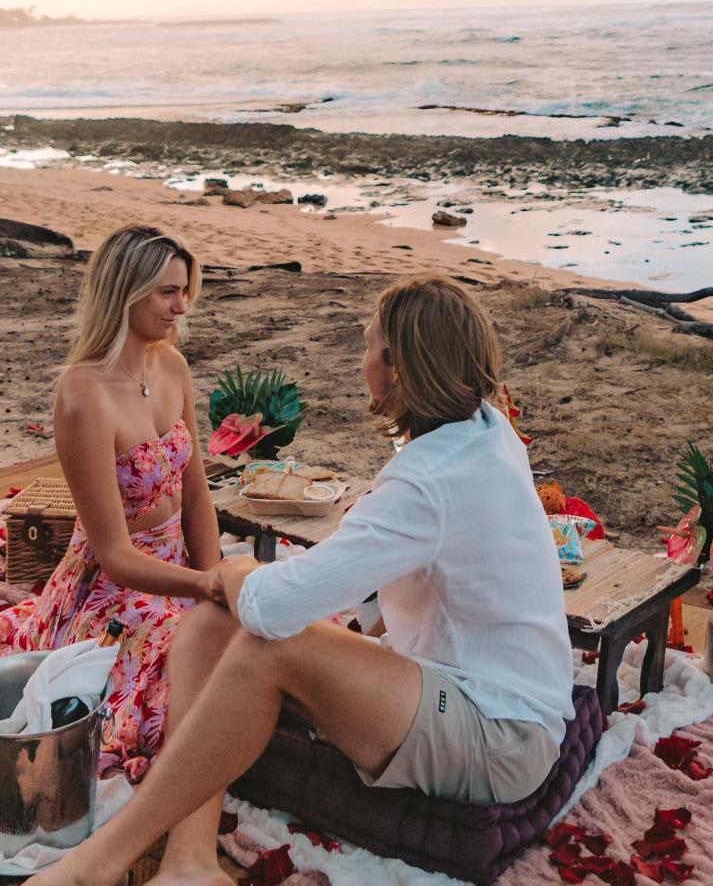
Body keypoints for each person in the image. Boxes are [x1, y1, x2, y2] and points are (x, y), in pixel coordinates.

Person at [32, 274, 574, 886]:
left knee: (267, 638)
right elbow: (371, 572)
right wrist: (236, 590)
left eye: (368, 345)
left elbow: (269, 608)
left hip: (498, 732)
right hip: (457, 686)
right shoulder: (482, 428)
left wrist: (233, 569)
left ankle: (96, 864)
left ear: (396, 366)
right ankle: (188, 859)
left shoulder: (429, 481)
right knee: (214, 618)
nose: (360, 358)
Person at [0, 224, 223, 781]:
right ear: (126, 291)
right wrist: (206, 589)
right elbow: (115, 554)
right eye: (167, 292)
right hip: (113, 590)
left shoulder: (171, 366)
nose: (181, 305)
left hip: (179, 567)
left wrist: (217, 579)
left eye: (184, 290)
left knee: (244, 634)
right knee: (194, 667)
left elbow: (195, 492)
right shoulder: (83, 395)